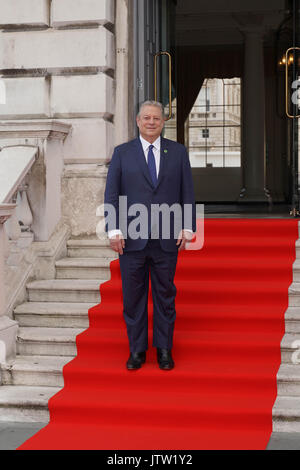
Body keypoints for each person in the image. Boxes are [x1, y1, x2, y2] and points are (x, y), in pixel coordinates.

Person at [104, 100, 196, 370]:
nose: (151, 122)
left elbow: (187, 192)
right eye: (146, 118)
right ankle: (137, 351)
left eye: (156, 118)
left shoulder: (178, 152)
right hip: (131, 239)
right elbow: (111, 194)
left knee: (165, 296)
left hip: (167, 238)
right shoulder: (122, 153)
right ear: (137, 121)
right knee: (133, 297)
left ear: (163, 121)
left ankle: (164, 350)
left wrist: (188, 226)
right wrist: (114, 230)